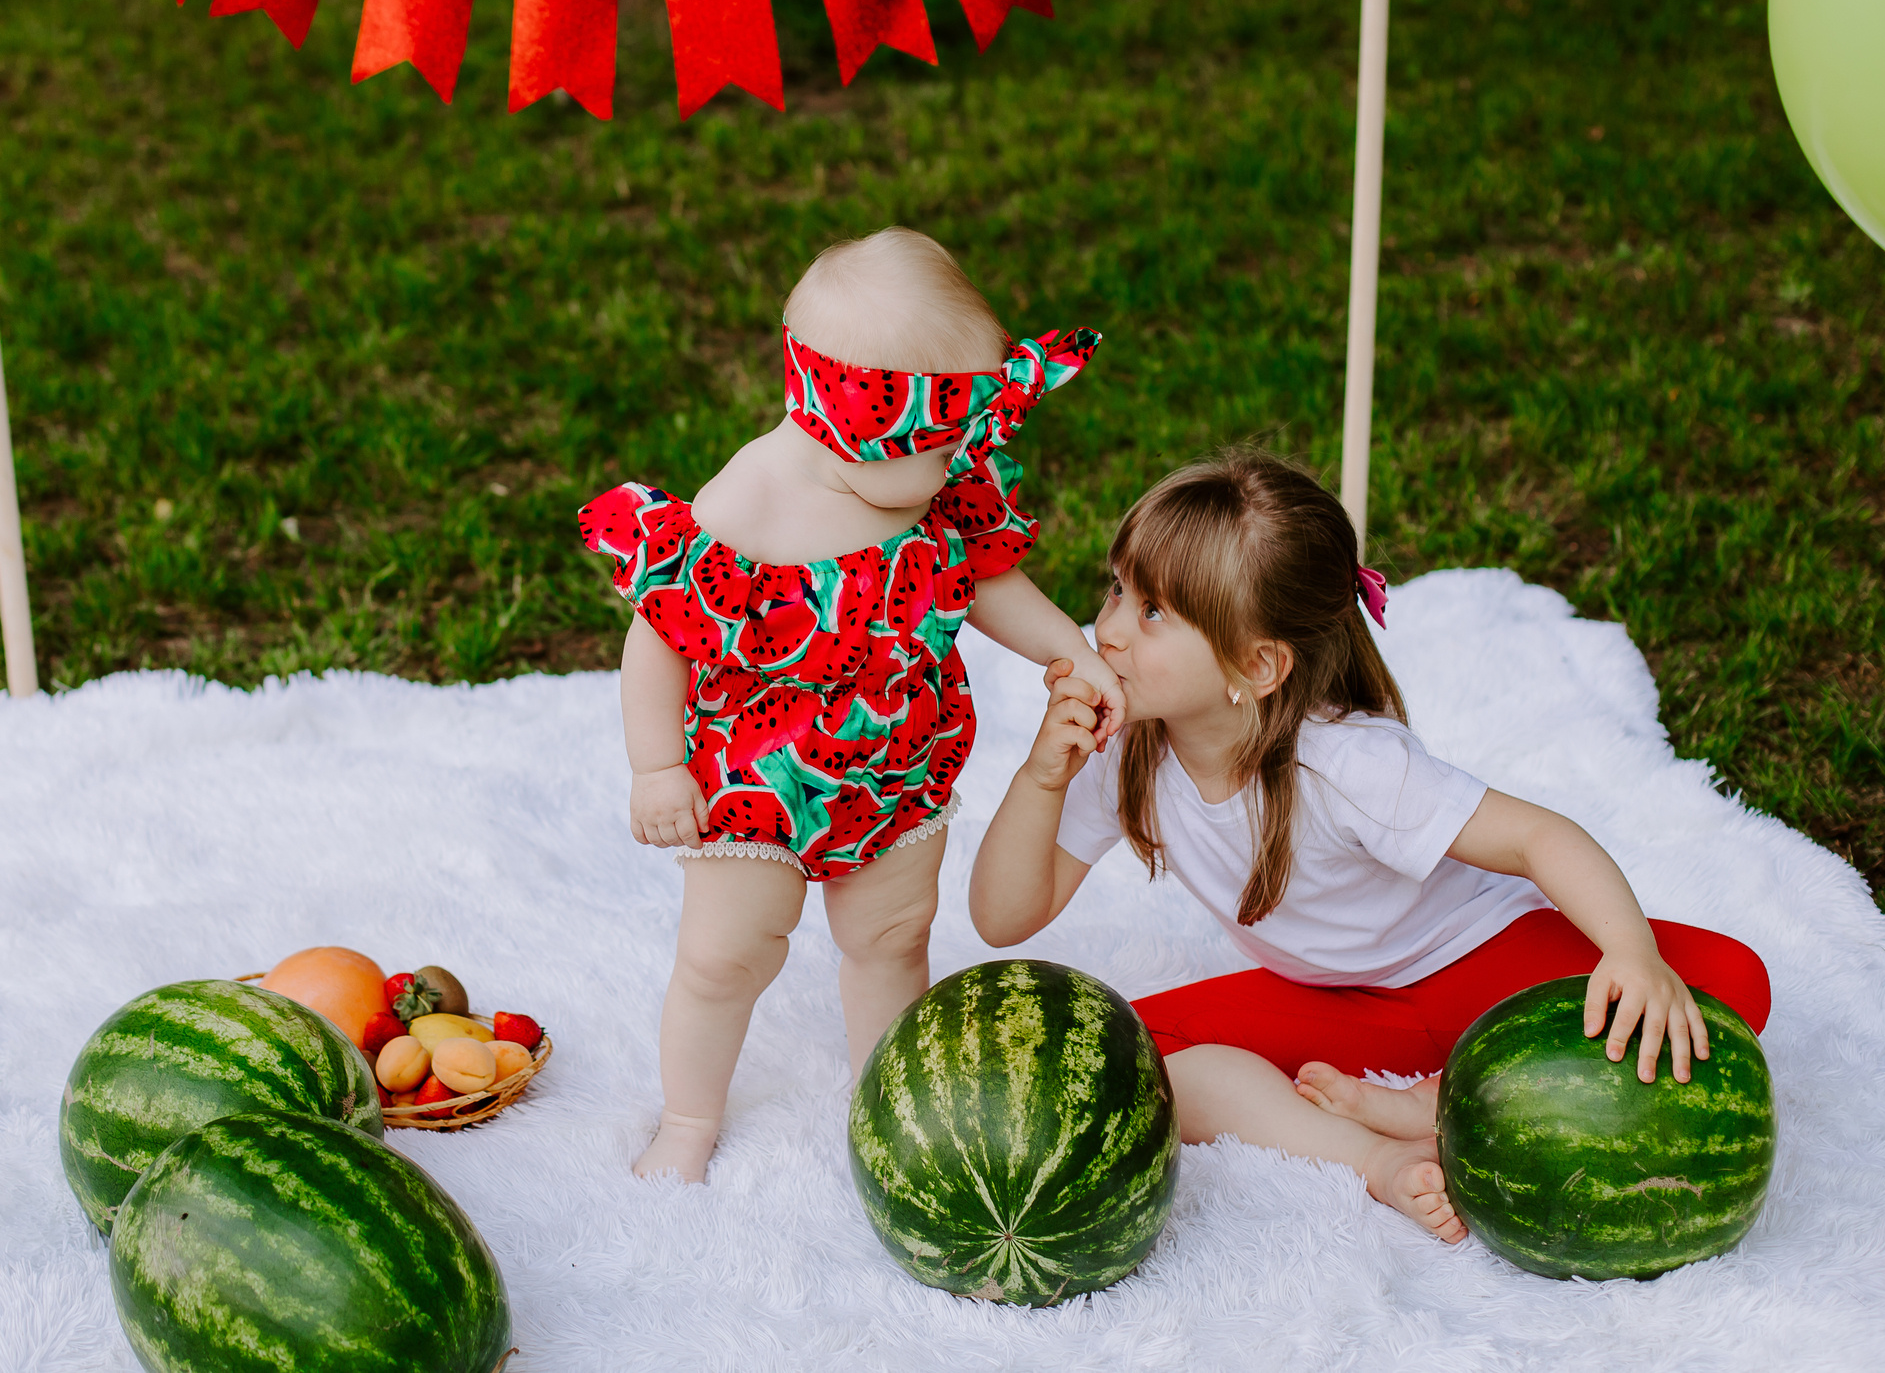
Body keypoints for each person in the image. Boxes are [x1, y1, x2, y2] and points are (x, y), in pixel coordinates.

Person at [966, 448, 1771, 1241]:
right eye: (1116, 589)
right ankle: (1372, 1153)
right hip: (1335, 1000)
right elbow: (1005, 916)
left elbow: (1537, 837)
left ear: (1258, 664)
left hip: (1479, 961)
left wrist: (1630, 950)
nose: (1104, 630)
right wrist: (1042, 777)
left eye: (1151, 613)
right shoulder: (1127, 752)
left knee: (1731, 982)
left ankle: (1432, 1097)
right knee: (1130, 1062)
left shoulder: (1349, 762)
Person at [578, 227, 1122, 1183]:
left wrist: (1069, 646)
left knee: (893, 937)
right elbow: (661, 628)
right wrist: (655, 763)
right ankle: (688, 1118)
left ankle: (890, 1094)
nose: (962, 458)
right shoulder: (748, 500)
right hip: (759, 779)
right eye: (945, 438)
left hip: (899, 766)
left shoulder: (925, 488)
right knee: (724, 957)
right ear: (850, 425)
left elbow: (983, 580)